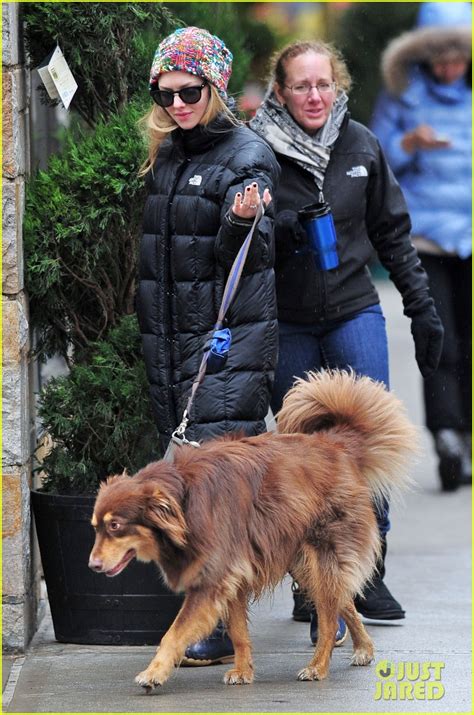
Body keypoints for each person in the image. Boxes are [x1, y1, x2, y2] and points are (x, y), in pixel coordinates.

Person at [250, 39, 444, 636]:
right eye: (300, 86)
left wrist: (422, 309)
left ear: (337, 87)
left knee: (368, 441)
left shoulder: (360, 143)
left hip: (354, 308)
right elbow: (240, 246)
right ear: (280, 92)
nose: (314, 96)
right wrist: (282, 230)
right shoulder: (256, 149)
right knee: (302, 460)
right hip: (289, 320)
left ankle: (368, 567)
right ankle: (315, 589)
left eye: (322, 84)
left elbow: (392, 232)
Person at [136, 26, 280, 663]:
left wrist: (241, 219)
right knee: (207, 489)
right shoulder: (169, 152)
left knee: (218, 492)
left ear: (215, 87)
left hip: (226, 348)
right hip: (171, 348)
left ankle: (220, 625)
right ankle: (249, 612)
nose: (176, 104)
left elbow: (254, 257)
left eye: (189, 91)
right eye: (164, 93)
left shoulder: (247, 155)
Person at [371, 2, 472, 492]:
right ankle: (448, 435)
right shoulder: (402, 95)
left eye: (459, 56)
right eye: (441, 56)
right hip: (427, 236)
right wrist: (410, 143)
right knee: (442, 340)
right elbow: (376, 156)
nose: (450, 65)